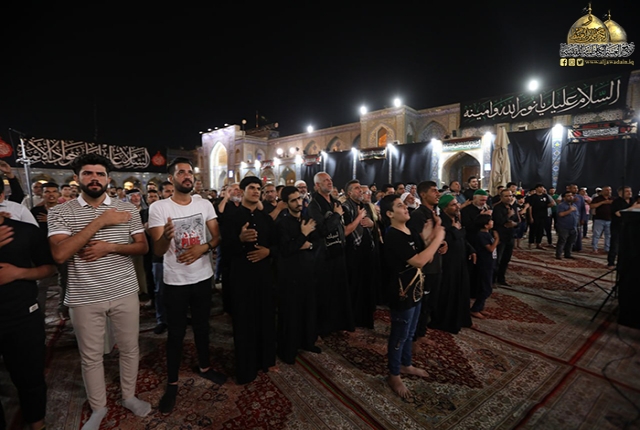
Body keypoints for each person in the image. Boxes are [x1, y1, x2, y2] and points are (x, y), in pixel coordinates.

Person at [47, 153, 151, 430]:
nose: (95, 178)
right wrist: (101, 221)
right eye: (88, 173)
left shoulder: (126, 209)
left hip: (124, 290)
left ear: (108, 179)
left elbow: (142, 247)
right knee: (91, 356)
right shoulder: (60, 212)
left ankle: (129, 396)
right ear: (77, 178)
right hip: (84, 295)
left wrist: (111, 247)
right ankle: (98, 407)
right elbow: (60, 254)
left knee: (129, 348)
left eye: (100, 174)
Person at [148, 157, 225, 413]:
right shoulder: (159, 208)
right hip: (176, 281)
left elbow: (217, 237)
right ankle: (172, 382)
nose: (187, 176)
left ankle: (204, 366)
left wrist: (204, 247)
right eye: (181, 172)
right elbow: (158, 250)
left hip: (202, 277)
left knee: (203, 326)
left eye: (190, 172)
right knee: (176, 333)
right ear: (171, 179)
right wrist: (166, 236)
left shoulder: (204, 204)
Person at [379, 194, 445, 399]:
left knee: (410, 331)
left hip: (416, 288)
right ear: (390, 214)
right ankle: (394, 374)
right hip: (401, 291)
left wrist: (430, 236)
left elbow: (427, 255)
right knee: (399, 334)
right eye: (400, 206)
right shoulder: (393, 236)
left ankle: (405, 364)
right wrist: (438, 239)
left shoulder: (410, 231)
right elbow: (418, 261)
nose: (406, 207)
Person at [0, 214, 56, 430]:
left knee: (31, 377)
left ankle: (37, 424)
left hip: (23, 316)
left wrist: (19, 273)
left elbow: (49, 267)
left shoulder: (25, 231)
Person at [224, 176, 277, 384]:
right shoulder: (232, 217)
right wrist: (240, 240)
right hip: (242, 275)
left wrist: (268, 252)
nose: (256, 191)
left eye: (258, 188)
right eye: (252, 188)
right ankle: (246, 368)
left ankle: (266, 360)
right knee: (245, 321)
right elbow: (225, 250)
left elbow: (277, 245)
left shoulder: (266, 219)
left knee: (265, 317)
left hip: (263, 275)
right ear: (242, 191)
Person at [275, 186, 321, 364]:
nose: (298, 203)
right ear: (286, 203)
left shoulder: (308, 219)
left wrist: (306, 244)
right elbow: (286, 250)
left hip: (308, 270)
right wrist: (303, 236)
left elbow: (317, 242)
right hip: (290, 274)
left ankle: (307, 342)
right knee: (291, 313)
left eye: (299, 198)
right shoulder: (282, 223)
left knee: (308, 309)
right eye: (293, 200)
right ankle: (288, 350)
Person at [308, 172, 355, 336]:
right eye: (325, 181)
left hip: (338, 251)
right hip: (323, 255)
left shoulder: (335, 202)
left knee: (338, 290)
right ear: (317, 185)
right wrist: (336, 215)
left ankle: (338, 323)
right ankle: (323, 327)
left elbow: (343, 224)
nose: (329, 182)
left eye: (330, 180)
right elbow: (322, 230)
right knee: (325, 292)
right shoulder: (314, 205)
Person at [428, 194, 475, 334]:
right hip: (448, 263)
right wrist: (455, 230)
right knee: (448, 291)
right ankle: (445, 321)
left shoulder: (456, 219)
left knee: (461, 288)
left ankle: (461, 318)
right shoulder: (440, 221)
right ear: (445, 208)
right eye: (453, 205)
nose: (457, 206)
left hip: (460, 260)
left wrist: (471, 249)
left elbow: (462, 237)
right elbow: (443, 240)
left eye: (457, 204)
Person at [407, 181, 446, 341]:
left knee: (430, 303)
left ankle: (421, 332)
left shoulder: (433, 214)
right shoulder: (418, 216)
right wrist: (434, 237)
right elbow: (417, 243)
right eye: (434, 191)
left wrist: (442, 242)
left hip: (435, 265)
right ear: (423, 194)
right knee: (422, 304)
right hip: (425, 268)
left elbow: (434, 238)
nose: (438, 194)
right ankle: (415, 337)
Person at [342, 179, 376, 329]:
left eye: (360, 188)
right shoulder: (345, 207)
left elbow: (370, 224)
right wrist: (359, 217)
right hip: (353, 252)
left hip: (366, 252)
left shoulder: (364, 206)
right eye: (356, 188)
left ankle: (364, 317)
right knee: (354, 287)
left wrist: (372, 224)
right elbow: (345, 231)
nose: (360, 190)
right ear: (349, 193)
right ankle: (353, 319)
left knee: (366, 285)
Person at [469, 214, 498, 319]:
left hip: (490, 263)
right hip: (484, 264)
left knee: (486, 286)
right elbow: (490, 249)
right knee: (486, 288)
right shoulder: (481, 235)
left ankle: (481, 307)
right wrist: (497, 239)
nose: (492, 222)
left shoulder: (487, 234)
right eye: (490, 221)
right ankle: (475, 309)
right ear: (485, 225)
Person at [491, 188, 520, 286]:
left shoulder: (512, 207)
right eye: (506, 196)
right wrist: (508, 216)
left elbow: (517, 220)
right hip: (500, 237)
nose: (509, 198)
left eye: (510, 196)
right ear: (501, 197)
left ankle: (501, 278)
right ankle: (493, 280)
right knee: (497, 260)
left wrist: (514, 224)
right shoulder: (497, 208)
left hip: (510, 236)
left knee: (506, 259)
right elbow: (498, 222)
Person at [607, 186, 639, 269]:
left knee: (629, 245)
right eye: (627, 191)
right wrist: (633, 207)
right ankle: (611, 262)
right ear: (620, 193)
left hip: (631, 227)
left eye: (630, 191)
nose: (629, 193)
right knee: (615, 245)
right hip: (618, 226)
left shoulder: (633, 201)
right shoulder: (616, 202)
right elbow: (618, 214)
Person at [526, 184, 555, 250]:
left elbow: (548, 204)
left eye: (543, 187)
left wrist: (551, 204)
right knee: (533, 230)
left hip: (543, 215)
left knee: (541, 230)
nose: (542, 189)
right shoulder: (533, 197)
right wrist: (530, 217)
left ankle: (538, 243)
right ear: (536, 188)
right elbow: (530, 207)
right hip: (535, 215)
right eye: (540, 187)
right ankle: (530, 243)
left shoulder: (545, 196)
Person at [555, 191, 579, 260]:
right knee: (562, 241)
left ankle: (568, 254)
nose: (570, 197)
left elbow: (577, 215)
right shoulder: (561, 205)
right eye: (568, 196)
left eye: (571, 195)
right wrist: (570, 210)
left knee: (571, 242)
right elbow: (560, 214)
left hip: (573, 226)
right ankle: (558, 255)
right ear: (564, 198)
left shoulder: (574, 205)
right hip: (564, 226)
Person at [590, 186, 613, 254]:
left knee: (608, 235)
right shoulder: (597, 198)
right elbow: (592, 206)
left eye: (609, 190)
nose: (608, 191)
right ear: (602, 191)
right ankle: (595, 248)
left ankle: (607, 248)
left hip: (610, 219)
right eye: (606, 190)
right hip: (599, 219)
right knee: (596, 235)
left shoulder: (613, 199)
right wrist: (602, 202)